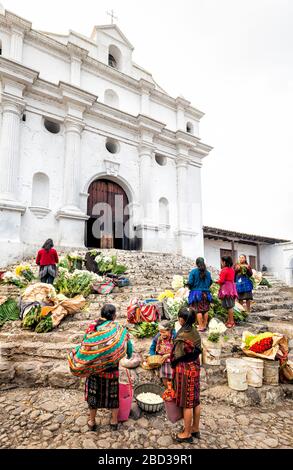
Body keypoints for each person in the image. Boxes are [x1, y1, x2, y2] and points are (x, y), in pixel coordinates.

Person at [85, 304, 133, 431]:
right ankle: (114, 421)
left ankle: (92, 421)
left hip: (95, 368)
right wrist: (128, 355)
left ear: (101, 314)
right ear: (114, 316)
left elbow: (86, 344)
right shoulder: (119, 329)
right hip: (111, 369)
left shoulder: (92, 327)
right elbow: (129, 346)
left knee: (93, 395)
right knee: (113, 395)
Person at [171, 307, 202, 444]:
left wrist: (171, 361)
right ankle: (195, 428)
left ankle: (187, 433)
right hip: (195, 366)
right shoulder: (195, 332)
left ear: (182, 320)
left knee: (187, 404)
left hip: (185, 371)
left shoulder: (182, 336)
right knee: (195, 400)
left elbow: (176, 355)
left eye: (179, 317)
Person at [188, 257, 213, 333]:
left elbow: (190, 282)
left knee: (198, 310)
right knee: (205, 310)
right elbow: (210, 282)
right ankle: (205, 325)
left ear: (196, 263)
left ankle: (201, 326)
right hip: (206, 293)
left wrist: (188, 285)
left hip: (196, 294)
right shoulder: (208, 273)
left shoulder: (193, 272)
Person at [149, 321, 176, 387]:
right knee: (163, 373)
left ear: (169, 330)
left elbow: (179, 350)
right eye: (160, 332)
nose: (162, 334)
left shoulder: (175, 336)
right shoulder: (158, 336)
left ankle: (173, 387)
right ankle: (168, 389)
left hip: (173, 357)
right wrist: (152, 356)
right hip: (162, 359)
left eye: (164, 332)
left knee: (175, 373)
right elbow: (152, 347)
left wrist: (168, 355)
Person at [217, 256, 238, 328]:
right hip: (231, 288)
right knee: (230, 305)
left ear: (224, 262)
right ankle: (229, 320)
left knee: (229, 306)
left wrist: (216, 281)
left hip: (226, 288)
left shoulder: (224, 270)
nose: (221, 263)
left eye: (221, 261)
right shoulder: (232, 270)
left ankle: (231, 322)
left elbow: (221, 281)